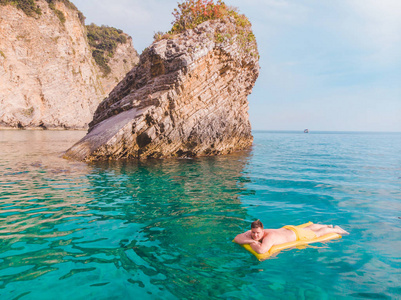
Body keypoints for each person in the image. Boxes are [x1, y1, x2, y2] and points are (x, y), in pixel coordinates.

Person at [234, 219, 349, 254]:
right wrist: (251, 239)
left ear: (263, 230)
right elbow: (237, 237)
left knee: (317, 234)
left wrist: (251, 242)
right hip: (288, 229)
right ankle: (324, 224)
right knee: (308, 227)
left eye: (258, 233)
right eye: (253, 232)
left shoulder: (269, 237)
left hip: (297, 235)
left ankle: (335, 229)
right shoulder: (254, 233)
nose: (255, 235)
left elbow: (261, 250)